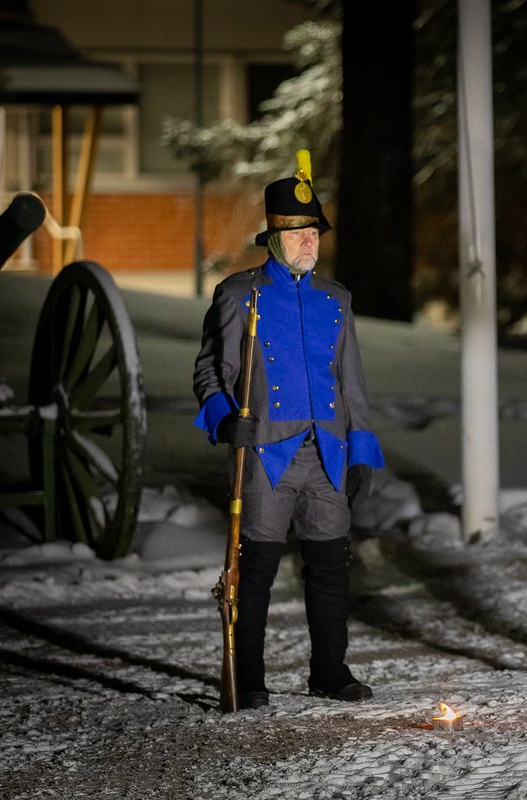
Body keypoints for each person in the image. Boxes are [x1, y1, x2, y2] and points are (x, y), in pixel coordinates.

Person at [192, 150, 385, 708]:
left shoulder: (336, 299)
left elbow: (351, 380)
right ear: (273, 238)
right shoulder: (238, 294)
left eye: (314, 232)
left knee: (330, 568)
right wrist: (224, 418)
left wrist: (362, 451)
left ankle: (330, 671)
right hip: (266, 453)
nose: (309, 242)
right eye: (297, 232)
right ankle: (247, 679)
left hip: (328, 450)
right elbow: (210, 369)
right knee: (254, 575)